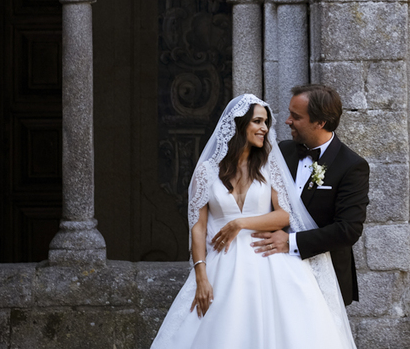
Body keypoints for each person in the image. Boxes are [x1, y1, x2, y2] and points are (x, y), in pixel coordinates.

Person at [150, 94, 357, 349]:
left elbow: (284, 215)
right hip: (220, 264)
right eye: (258, 121)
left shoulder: (270, 164)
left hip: (268, 257)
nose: (265, 128)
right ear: (239, 124)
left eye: (265, 122)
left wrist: (240, 223)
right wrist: (201, 275)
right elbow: (198, 226)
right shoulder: (206, 171)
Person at [250, 84, 370, 305]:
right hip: (272, 271)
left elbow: (348, 229)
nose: (287, 121)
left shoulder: (352, 166)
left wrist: (291, 242)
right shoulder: (280, 152)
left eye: (296, 116)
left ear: (320, 122)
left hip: (324, 276)